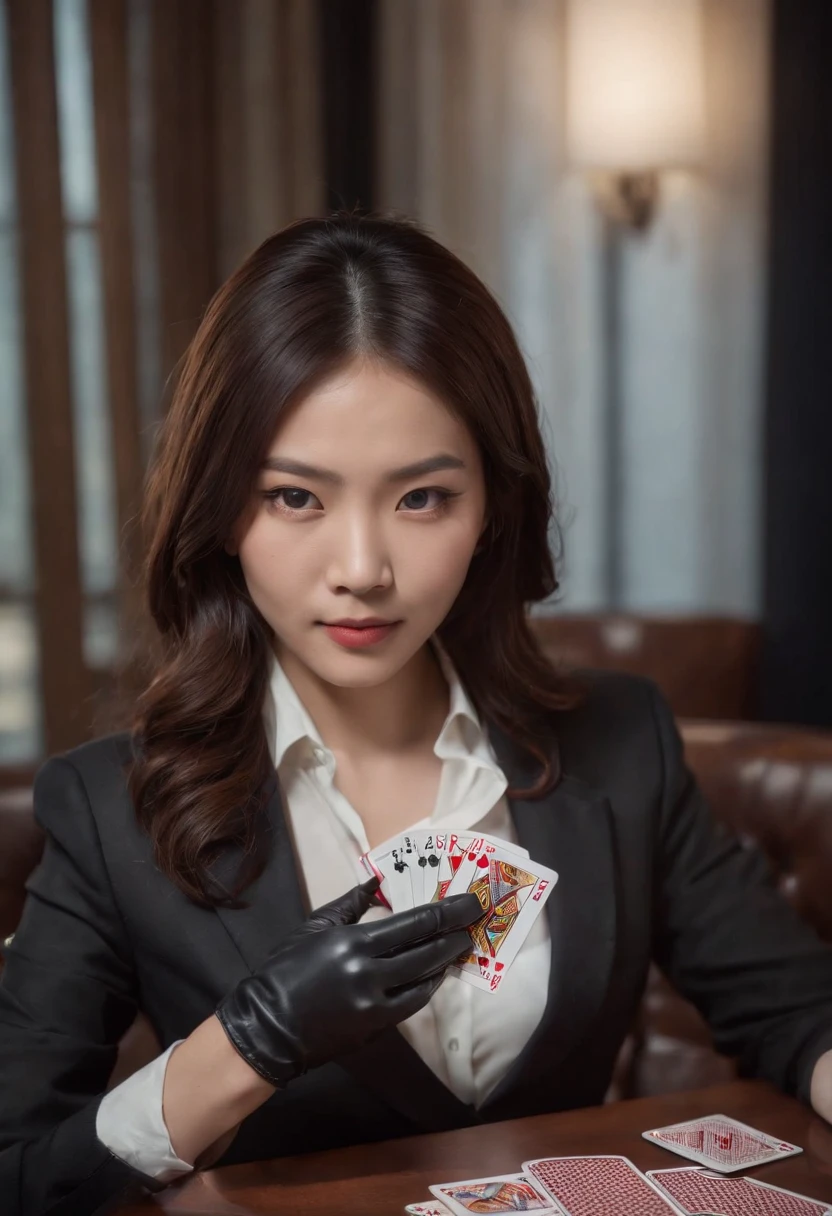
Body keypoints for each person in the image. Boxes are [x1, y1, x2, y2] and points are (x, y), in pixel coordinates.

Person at [2, 211, 832, 1216]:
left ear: (491, 507)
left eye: (422, 498)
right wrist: (248, 1042)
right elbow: (21, 1170)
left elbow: (797, 1012)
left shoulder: (622, 742)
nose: (361, 570)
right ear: (222, 512)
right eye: (295, 498)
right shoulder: (106, 810)